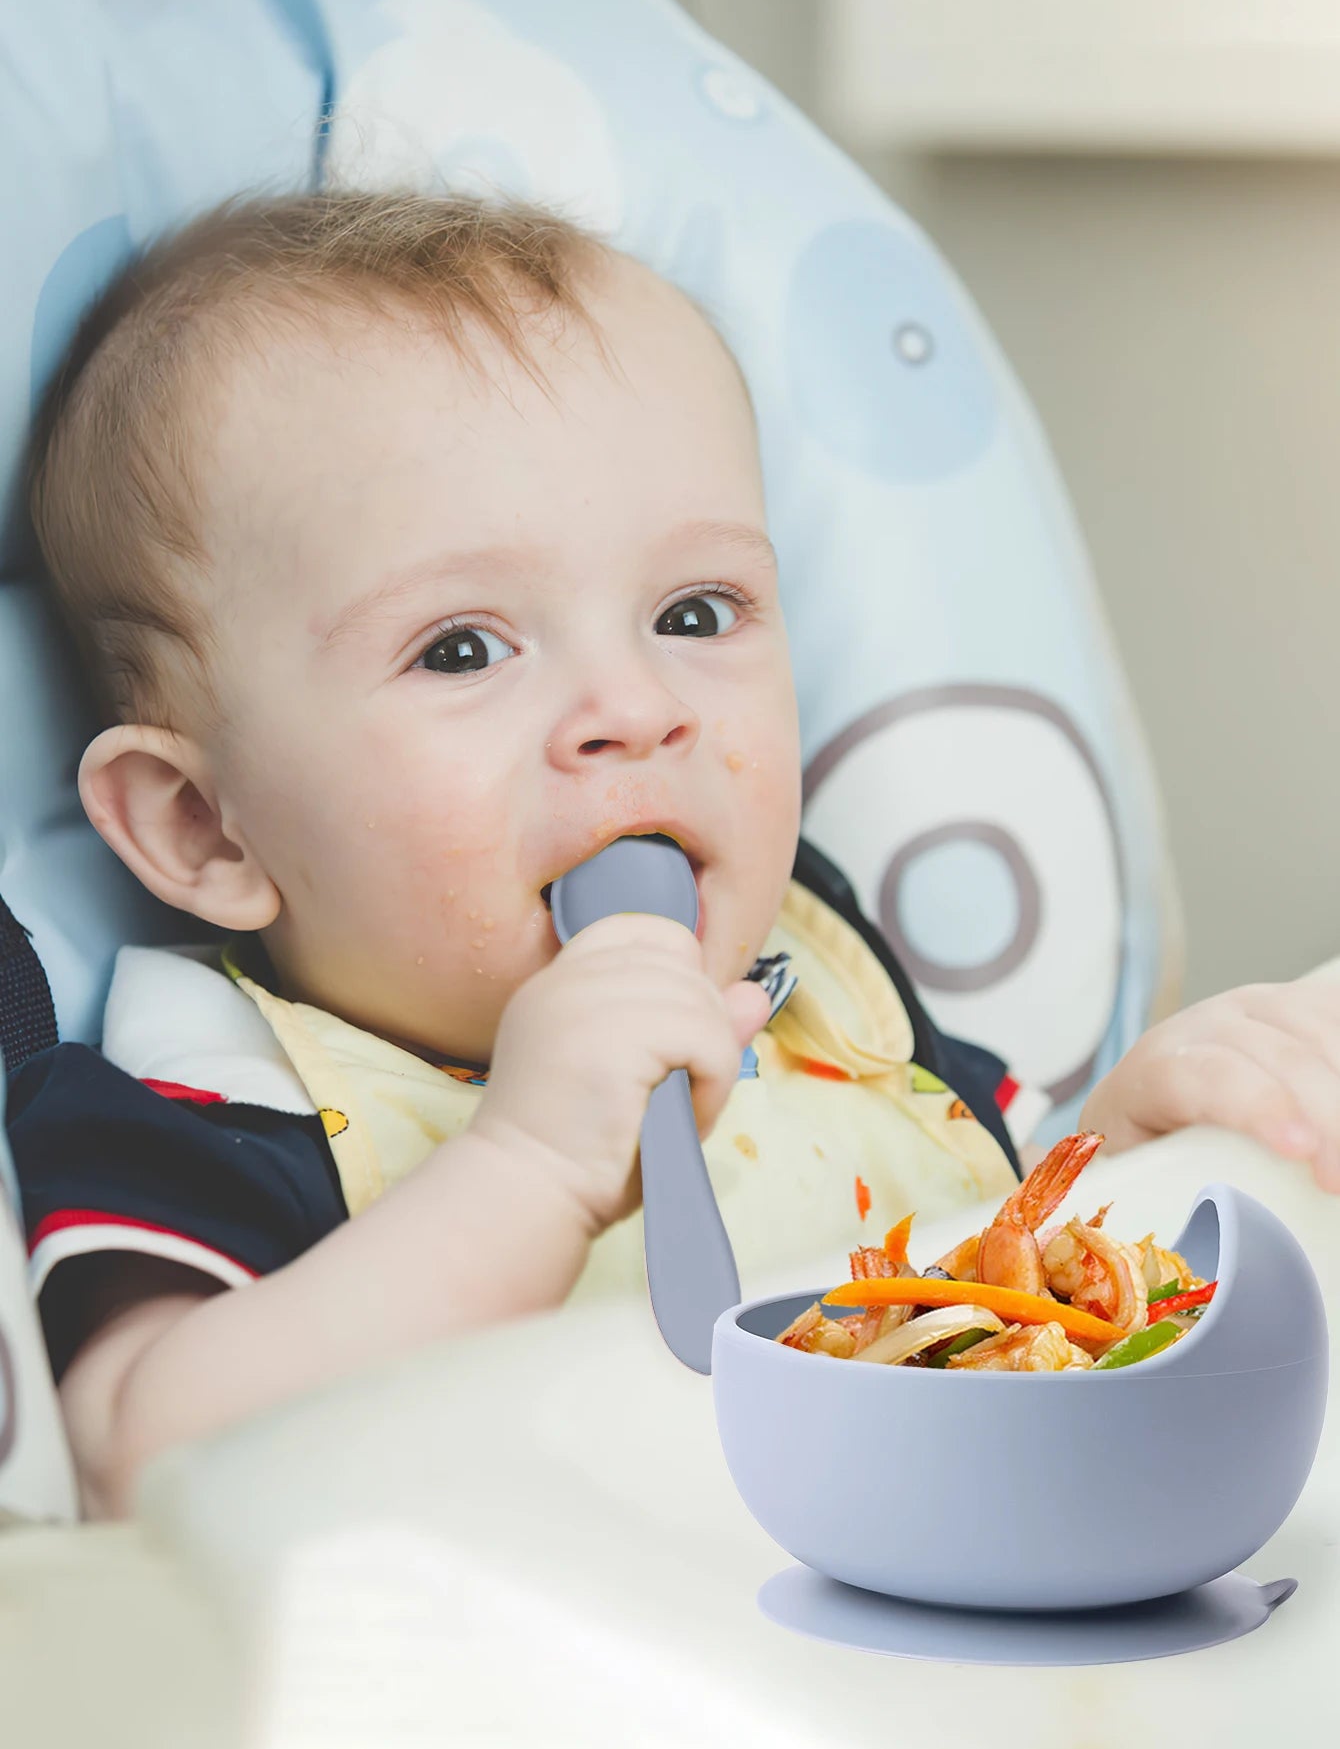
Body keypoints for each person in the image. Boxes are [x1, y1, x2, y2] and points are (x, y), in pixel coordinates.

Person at [7, 191, 1337, 1522]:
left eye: (695, 612)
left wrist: (1134, 1152)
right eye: (463, 647)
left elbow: (983, 1297)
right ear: (204, 823)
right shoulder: (210, 1104)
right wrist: (524, 1169)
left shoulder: (821, 990)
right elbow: (139, 1458)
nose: (637, 709)